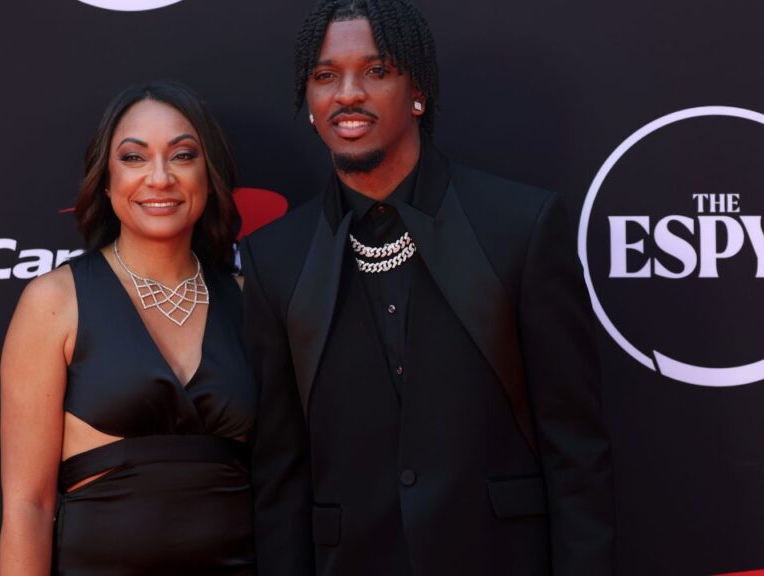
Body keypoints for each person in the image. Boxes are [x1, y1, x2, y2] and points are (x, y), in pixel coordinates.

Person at [242, 1, 615, 575]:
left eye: (376, 70)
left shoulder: (520, 226)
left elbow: (576, 452)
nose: (347, 93)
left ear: (418, 91)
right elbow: (280, 477)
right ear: (309, 105)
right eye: (324, 76)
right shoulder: (275, 258)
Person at [0, 80, 255, 575]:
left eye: (182, 155)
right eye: (134, 158)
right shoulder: (55, 302)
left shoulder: (250, 302)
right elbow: (27, 506)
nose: (159, 178)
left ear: (209, 172)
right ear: (105, 177)